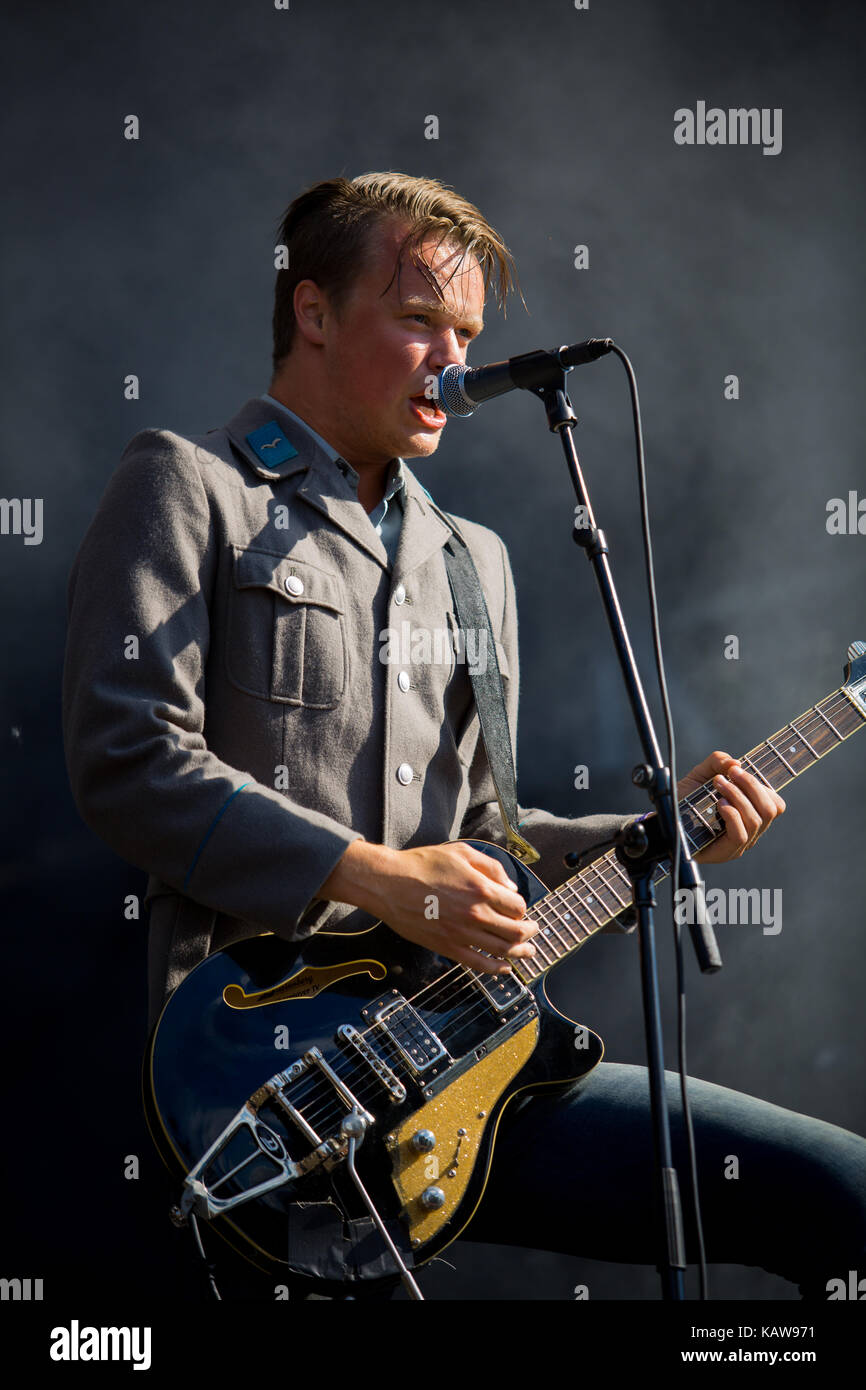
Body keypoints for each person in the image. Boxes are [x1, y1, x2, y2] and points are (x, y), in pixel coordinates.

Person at [62, 172, 865, 1302]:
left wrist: (658, 837)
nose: (454, 360)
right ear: (313, 312)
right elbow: (126, 762)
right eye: (419, 321)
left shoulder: (470, 560)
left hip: (466, 1069)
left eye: (469, 332)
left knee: (841, 1191)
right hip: (270, 1094)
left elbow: (489, 840)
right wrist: (378, 879)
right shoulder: (191, 486)